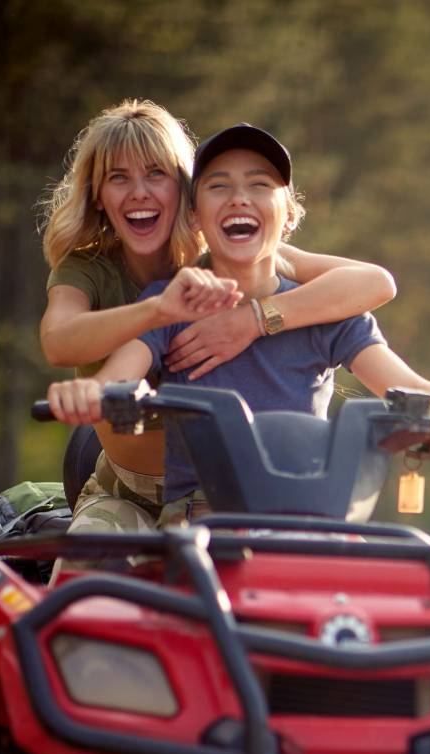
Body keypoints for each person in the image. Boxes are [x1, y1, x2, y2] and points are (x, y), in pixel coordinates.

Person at [44, 123, 430, 524]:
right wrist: (92, 393)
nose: (239, 199)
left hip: (304, 520)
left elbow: (407, 386)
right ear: (196, 216)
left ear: (288, 214)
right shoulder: (174, 304)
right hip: (196, 522)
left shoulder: (328, 315)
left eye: (260, 185)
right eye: (218, 186)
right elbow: (116, 377)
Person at [38, 99, 398, 534]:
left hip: (225, 494)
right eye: (119, 178)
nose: (139, 193)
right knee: (93, 564)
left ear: (185, 191)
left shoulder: (231, 254)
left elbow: (375, 283)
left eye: (156, 174)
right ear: (98, 194)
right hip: (131, 489)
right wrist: (159, 310)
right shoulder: (90, 269)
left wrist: (254, 318)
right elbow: (61, 343)